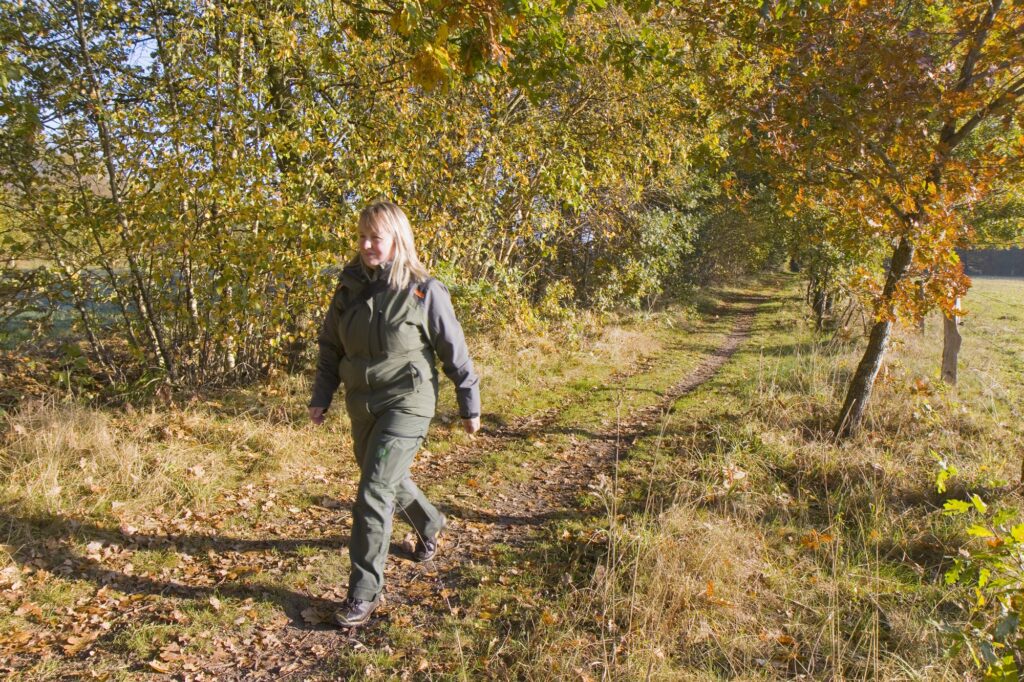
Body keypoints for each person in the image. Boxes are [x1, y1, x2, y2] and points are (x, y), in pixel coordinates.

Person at [308, 201, 481, 628]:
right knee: (385, 478)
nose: (367, 244)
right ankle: (430, 521)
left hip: (409, 399)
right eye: (362, 236)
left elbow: (453, 350)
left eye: (376, 237)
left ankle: (363, 592)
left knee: (373, 490)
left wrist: (468, 403)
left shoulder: (424, 290)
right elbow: (331, 347)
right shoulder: (347, 288)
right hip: (361, 401)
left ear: (397, 239)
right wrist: (321, 395)